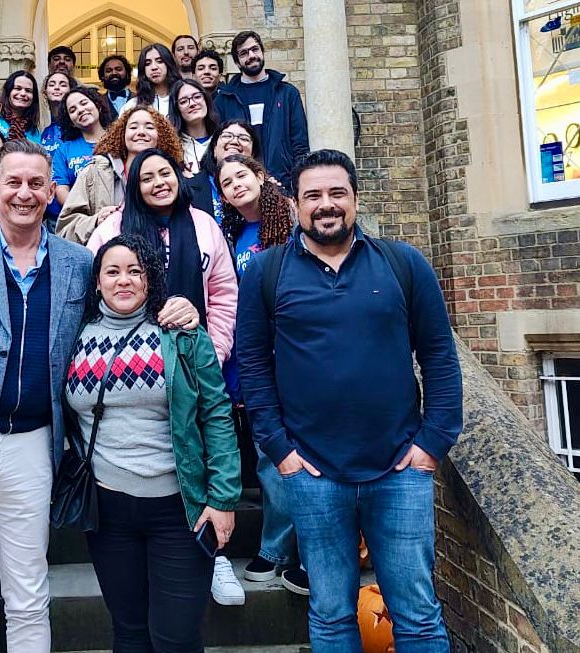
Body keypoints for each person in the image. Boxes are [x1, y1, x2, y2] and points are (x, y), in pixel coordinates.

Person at [0, 139, 202, 653]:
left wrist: (179, 310)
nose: (25, 193)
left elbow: (120, 314)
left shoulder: (78, 263)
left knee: (30, 597)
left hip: (32, 447)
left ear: (49, 190)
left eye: (36, 183)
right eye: (13, 181)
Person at [237, 149, 463, 652]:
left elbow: (439, 355)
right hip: (313, 474)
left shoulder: (403, 263)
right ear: (295, 205)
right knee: (332, 614)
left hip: (399, 471)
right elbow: (252, 365)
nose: (326, 204)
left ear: (356, 199)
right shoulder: (267, 273)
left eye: (337, 193)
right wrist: (280, 450)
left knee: (418, 615)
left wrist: (432, 443)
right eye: (313, 195)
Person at [66, 233, 241, 651]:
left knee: (176, 638)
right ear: (97, 282)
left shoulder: (182, 335)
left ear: (150, 279)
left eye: (135, 271)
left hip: (178, 509)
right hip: (107, 511)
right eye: (112, 271)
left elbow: (216, 415)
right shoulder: (73, 336)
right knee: (129, 633)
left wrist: (223, 498)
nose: (123, 280)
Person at [86, 149, 244, 606]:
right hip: (128, 363)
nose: (158, 182)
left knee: (202, 444)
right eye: (147, 177)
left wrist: (212, 351)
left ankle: (214, 554)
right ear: (133, 186)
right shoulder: (113, 228)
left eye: (165, 173)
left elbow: (223, 292)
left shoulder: (203, 225)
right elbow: (93, 283)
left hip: (191, 357)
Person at [213, 153, 301, 591]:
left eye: (241, 175)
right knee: (269, 452)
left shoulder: (292, 218)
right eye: (226, 182)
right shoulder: (231, 233)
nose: (235, 185)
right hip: (252, 355)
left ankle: (294, 549)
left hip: (294, 352)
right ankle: (277, 548)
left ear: (261, 176)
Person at [57, 106, 183, 245]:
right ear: (122, 134)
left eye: (149, 127)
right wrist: (96, 221)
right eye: (133, 127)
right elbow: (64, 231)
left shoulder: (172, 176)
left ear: (161, 135)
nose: (141, 132)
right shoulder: (95, 172)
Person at [213, 30, 309, 192]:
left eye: (255, 49)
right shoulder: (224, 99)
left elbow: (300, 144)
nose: (251, 55)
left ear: (262, 52)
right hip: (241, 185)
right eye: (244, 53)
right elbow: (219, 148)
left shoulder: (287, 93)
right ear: (237, 62)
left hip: (283, 183)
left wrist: (297, 183)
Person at [189, 119, 263, 224]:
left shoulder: (270, 187)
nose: (234, 142)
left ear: (253, 154)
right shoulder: (189, 189)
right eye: (227, 136)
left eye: (244, 138)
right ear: (214, 149)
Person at [52, 86, 112, 207]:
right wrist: (83, 211)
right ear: (71, 122)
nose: (80, 110)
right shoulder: (64, 150)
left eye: (84, 103)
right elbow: (61, 189)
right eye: (72, 110)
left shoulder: (119, 140)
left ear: (98, 106)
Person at [42, 71, 80, 231]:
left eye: (63, 84)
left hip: (77, 212)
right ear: (45, 92)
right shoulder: (45, 132)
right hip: (50, 212)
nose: (57, 87)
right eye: (52, 84)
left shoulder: (78, 128)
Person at [168, 78, 217, 174]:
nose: (192, 104)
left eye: (197, 97)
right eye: (183, 101)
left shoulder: (222, 140)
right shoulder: (171, 148)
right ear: (176, 109)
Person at [121, 43, 181, 116]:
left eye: (159, 61)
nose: (154, 67)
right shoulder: (132, 105)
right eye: (147, 63)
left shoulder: (183, 99)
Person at [0, 70, 42, 143]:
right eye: (18, 88)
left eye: (28, 90)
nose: (23, 93)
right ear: (8, 91)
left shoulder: (34, 132)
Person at [98, 54, 134, 120]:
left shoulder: (140, 99)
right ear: (102, 76)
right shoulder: (98, 102)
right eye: (108, 71)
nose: (114, 73)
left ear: (127, 74)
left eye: (119, 69)